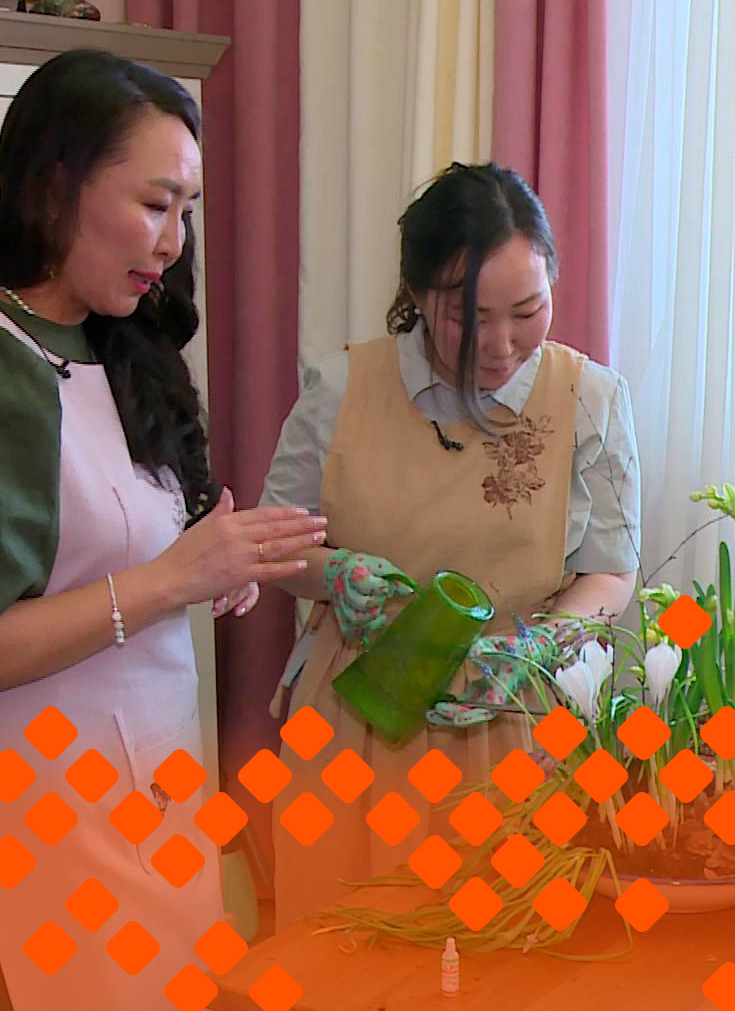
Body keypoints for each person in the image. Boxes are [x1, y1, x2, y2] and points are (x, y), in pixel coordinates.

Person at [0, 48, 323, 1008]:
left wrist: (207, 563)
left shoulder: (108, 342)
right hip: (26, 838)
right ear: (54, 186)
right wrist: (173, 579)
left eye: (187, 211)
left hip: (145, 812)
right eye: (154, 204)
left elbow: (109, 562)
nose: (173, 242)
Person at [259, 162, 642, 929]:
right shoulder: (341, 388)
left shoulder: (589, 398)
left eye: (527, 311)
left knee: (503, 944)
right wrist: (335, 573)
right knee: (341, 944)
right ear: (417, 294)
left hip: (516, 715)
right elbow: (275, 546)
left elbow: (609, 571)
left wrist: (541, 646)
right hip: (358, 711)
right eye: (468, 318)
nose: (501, 345)